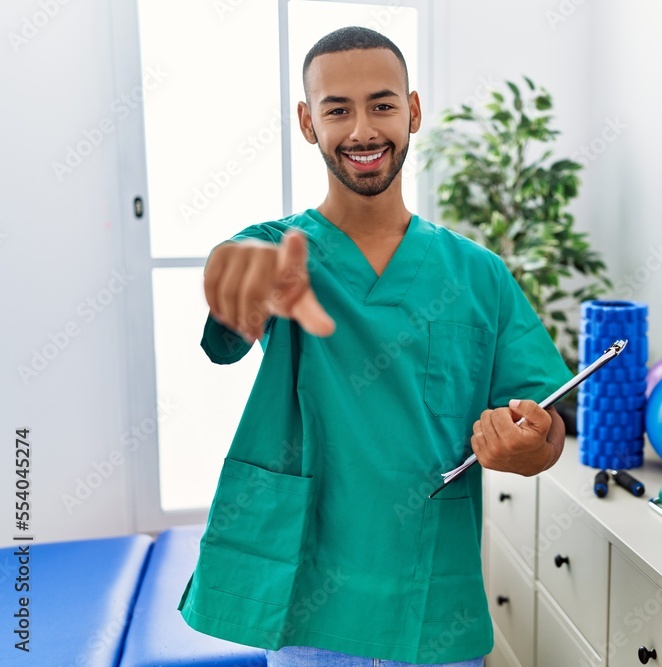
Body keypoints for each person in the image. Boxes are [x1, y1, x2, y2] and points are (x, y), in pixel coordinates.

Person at [176, 26, 574, 667]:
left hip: (432, 604)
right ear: (309, 123)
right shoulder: (282, 250)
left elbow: (545, 432)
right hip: (312, 612)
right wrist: (238, 284)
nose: (363, 129)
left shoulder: (478, 275)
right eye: (338, 109)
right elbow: (234, 279)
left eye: (382, 105)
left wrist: (528, 444)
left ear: (412, 111)